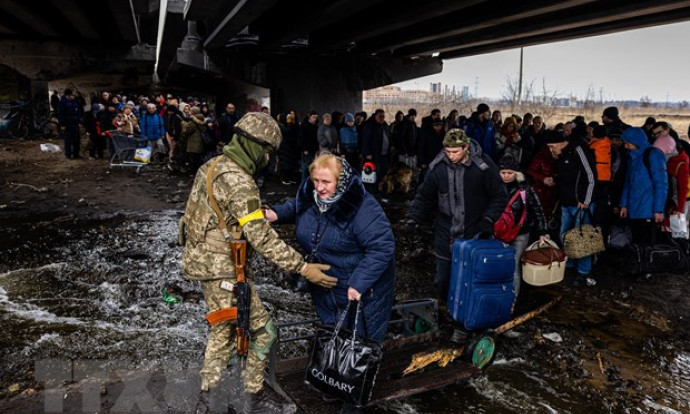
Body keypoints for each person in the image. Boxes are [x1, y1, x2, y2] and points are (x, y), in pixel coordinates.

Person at [180, 112, 335, 414]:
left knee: (224, 331)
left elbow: (199, 217)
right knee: (263, 331)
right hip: (222, 269)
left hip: (205, 263)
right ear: (255, 146)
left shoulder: (212, 166)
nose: (268, 159)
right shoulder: (239, 181)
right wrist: (303, 267)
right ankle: (251, 397)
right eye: (267, 152)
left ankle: (211, 401)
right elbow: (262, 238)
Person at [266, 153, 394, 414]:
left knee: (357, 343)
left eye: (326, 181)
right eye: (315, 181)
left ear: (342, 180)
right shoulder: (311, 194)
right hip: (326, 283)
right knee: (334, 336)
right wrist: (275, 214)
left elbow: (382, 248)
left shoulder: (362, 207)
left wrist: (358, 283)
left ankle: (352, 400)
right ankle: (333, 385)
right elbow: (296, 207)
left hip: (362, 288)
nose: (320, 187)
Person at [405, 129, 507, 341]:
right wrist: (412, 219)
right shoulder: (437, 168)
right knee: (442, 280)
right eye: (448, 151)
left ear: (466, 148)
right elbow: (424, 196)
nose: (451, 155)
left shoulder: (483, 167)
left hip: (473, 235)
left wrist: (488, 219)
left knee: (468, 282)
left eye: (455, 152)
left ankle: (465, 325)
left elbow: (499, 196)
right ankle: (446, 314)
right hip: (445, 233)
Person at [545, 129, 597, 287]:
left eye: (552, 146)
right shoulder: (562, 155)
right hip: (566, 202)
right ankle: (569, 264)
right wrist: (555, 179)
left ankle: (583, 272)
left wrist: (586, 200)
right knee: (565, 236)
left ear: (561, 143)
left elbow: (590, 176)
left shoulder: (578, 150)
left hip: (581, 204)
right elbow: (569, 176)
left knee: (582, 238)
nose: (551, 150)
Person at [497, 155, 548, 297]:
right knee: (498, 264)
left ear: (516, 173)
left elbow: (537, 209)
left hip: (520, 233)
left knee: (513, 267)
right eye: (503, 173)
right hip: (499, 232)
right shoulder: (493, 186)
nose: (506, 176)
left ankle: (511, 299)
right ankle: (498, 296)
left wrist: (542, 231)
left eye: (510, 173)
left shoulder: (525, 188)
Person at [619, 127, 668, 245]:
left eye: (627, 143)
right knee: (636, 244)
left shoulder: (653, 155)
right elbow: (628, 183)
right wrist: (624, 204)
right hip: (634, 209)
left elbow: (661, 184)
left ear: (635, 142)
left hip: (648, 210)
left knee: (647, 244)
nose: (625, 146)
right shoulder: (632, 157)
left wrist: (658, 210)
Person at [57, 88, 83, 160]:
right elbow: (60, 114)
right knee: (68, 140)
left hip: (75, 124)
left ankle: (76, 154)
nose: (71, 97)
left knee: (76, 140)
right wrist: (62, 124)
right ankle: (68, 155)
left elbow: (79, 112)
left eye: (71, 95)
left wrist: (80, 122)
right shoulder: (62, 103)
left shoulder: (75, 102)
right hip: (67, 124)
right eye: (70, 95)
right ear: (66, 95)